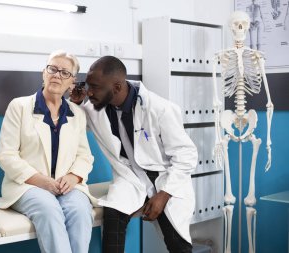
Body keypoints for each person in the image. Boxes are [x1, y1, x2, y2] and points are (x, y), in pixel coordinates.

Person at [70, 56, 198, 253]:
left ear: (117, 87)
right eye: (88, 85)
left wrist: (163, 194)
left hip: (164, 179)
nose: (89, 92)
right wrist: (76, 104)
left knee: (178, 244)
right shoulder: (94, 109)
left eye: (95, 87)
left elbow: (186, 154)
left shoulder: (160, 108)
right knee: (113, 215)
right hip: (129, 178)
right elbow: (75, 127)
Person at [0, 50, 96, 253]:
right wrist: (41, 181)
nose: (57, 75)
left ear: (72, 82)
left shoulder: (76, 113)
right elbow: (6, 155)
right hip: (27, 186)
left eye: (65, 73)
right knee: (49, 209)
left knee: (80, 210)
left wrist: (74, 176)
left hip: (66, 185)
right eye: (53, 69)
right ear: (44, 72)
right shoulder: (20, 106)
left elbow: (85, 155)